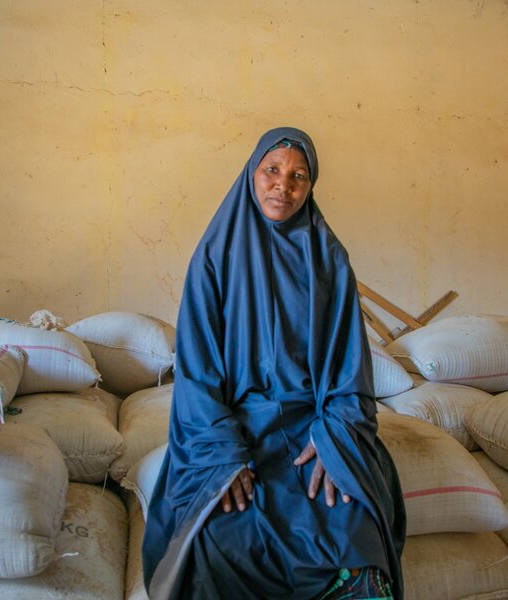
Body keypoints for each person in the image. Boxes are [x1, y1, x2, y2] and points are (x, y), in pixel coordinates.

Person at [142, 127, 406, 600]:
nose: (283, 185)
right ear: (252, 173)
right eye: (272, 170)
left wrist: (336, 438)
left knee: (352, 515)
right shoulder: (213, 258)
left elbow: (351, 367)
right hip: (237, 426)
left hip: (313, 425)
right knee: (222, 531)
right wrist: (222, 452)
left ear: (310, 187)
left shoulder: (329, 259)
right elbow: (196, 372)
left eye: (298, 176)